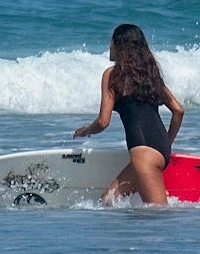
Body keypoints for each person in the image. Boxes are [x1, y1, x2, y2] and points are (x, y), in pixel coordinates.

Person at [73, 23, 184, 205]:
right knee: (106, 202)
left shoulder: (112, 75)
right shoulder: (149, 75)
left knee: (158, 215)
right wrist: (166, 144)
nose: (109, 46)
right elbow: (178, 110)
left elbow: (103, 121)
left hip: (144, 155)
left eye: (112, 41)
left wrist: (86, 131)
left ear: (120, 45)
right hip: (158, 149)